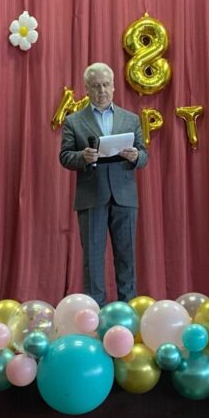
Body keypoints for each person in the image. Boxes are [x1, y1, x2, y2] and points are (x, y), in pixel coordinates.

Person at [60, 62, 148, 306]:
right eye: (96, 86)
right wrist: (83, 157)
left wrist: (136, 156)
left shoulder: (130, 119)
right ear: (87, 89)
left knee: (126, 256)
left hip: (124, 196)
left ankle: (128, 308)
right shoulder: (74, 121)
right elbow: (64, 156)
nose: (102, 91)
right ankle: (95, 310)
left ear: (114, 87)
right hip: (91, 196)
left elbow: (144, 155)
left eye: (106, 85)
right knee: (93, 258)